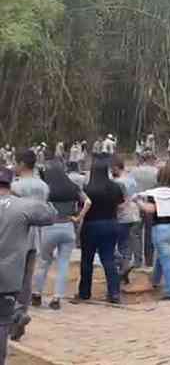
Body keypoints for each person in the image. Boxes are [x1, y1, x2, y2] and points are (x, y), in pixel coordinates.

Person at [0, 167, 56, 364]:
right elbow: (51, 215)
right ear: (10, 185)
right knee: (2, 324)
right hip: (8, 277)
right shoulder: (22, 206)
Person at [9, 150, 50, 341]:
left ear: (22, 164)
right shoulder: (43, 186)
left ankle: (13, 314)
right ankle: (21, 312)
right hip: (35, 237)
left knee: (10, 277)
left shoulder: (15, 186)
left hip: (16, 237)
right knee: (26, 279)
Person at [134, 161, 170, 299]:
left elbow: (150, 209)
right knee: (163, 255)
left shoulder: (155, 193)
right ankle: (155, 280)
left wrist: (138, 201)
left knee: (167, 261)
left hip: (161, 229)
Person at [31, 161, 83, 311]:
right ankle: (57, 297)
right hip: (68, 227)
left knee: (44, 261)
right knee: (63, 264)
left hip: (50, 227)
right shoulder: (72, 187)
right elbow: (87, 201)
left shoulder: (47, 190)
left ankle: (37, 293)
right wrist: (78, 217)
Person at [74, 155, 124, 304]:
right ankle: (114, 293)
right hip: (111, 224)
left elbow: (81, 206)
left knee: (87, 260)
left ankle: (84, 292)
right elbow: (121, 205)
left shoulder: (88, 189)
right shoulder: (115, 187)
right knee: (108, 259)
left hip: (91, 225)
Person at [111, 156, 140, 283]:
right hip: (134, 214)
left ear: (116, 168)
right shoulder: (132, 180)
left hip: (122, 215)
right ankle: (125, 268)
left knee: (117, 244)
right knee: (127, 243)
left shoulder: (117, 183)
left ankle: (123, 266)